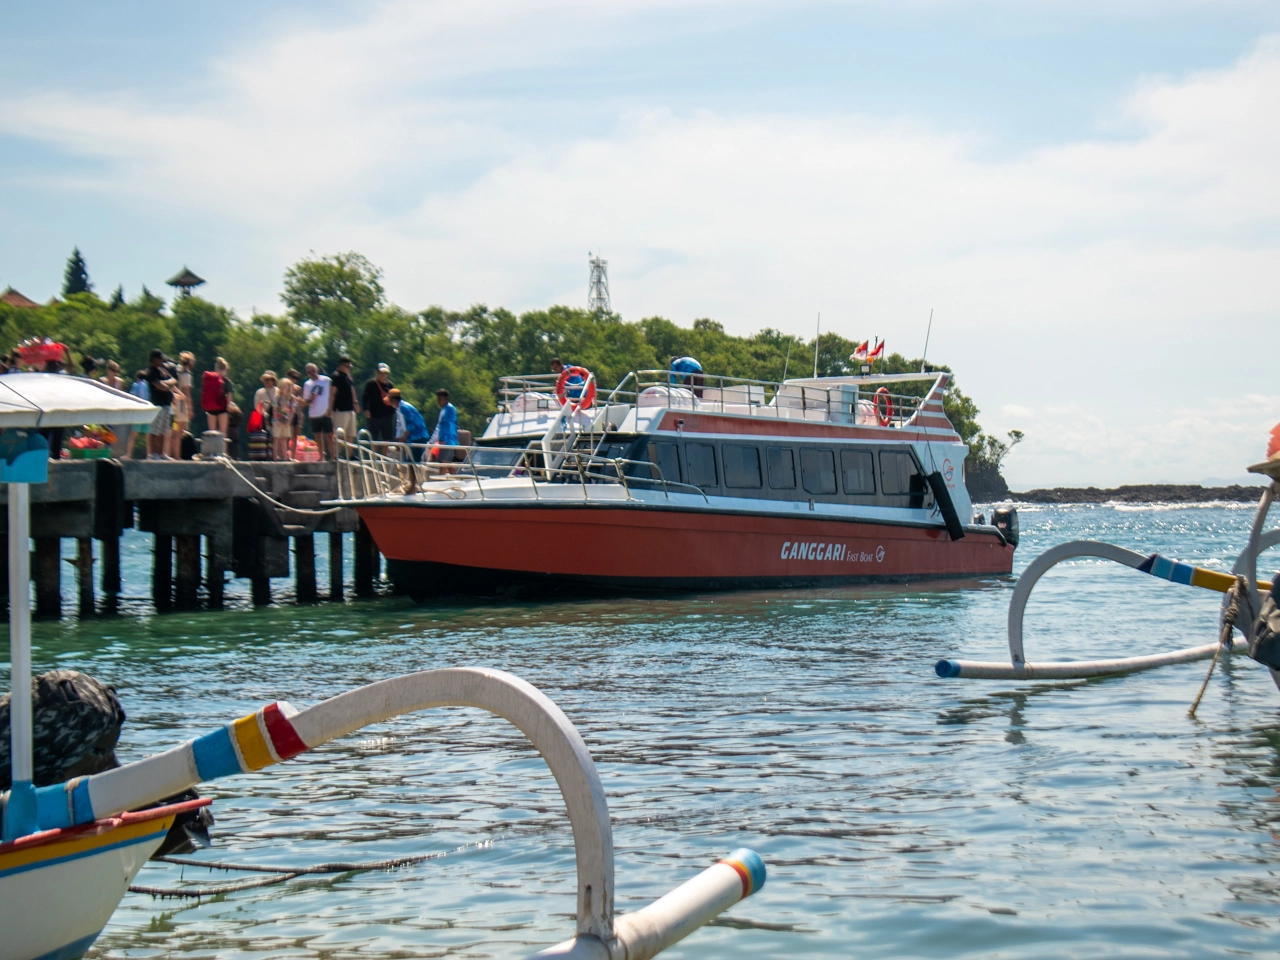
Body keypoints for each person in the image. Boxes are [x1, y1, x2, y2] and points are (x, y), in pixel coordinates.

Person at [144, 349, 177, 459]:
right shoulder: (150, 372)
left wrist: (164, 383)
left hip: (166, 404)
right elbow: (160, 387)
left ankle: (161, 453)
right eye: (160, 358)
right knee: (154, 430)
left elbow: (173, 381)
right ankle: (152, 453)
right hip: (156, 404)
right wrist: (165, 385)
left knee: (163, 430)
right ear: (154, 359)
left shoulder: (162, 370)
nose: (162, 361)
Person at [302, 362, 334, 460]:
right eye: (309, 372)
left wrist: (331, 408)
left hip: (326, 411)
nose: (312, 373)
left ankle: (333, 456)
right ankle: (321, 456)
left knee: (329, 435)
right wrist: (310, 398)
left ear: (317, 370)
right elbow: (306, 401)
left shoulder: (326, 380)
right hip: (314, 413)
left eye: (313, 371)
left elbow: (333, 394)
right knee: (318, 436)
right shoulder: (307, 384)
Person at [330, 355, 359, 450]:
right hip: (340, 409)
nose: (349, 368)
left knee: (350, 434)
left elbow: (352, 388)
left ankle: (350, 454)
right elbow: (332, 393)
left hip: (349, 408)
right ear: (341, 365)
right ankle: (338, 454)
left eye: (350, 367)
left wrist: (355, 402)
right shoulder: (336, 376)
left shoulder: (348, 376)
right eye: (348, 367)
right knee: (340, 434)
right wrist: (330, 408)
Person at [362, 362, 395, 442]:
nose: (383, 375)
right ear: (376, 372)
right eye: (381, 373)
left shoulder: (390, 385)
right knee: (374, 438)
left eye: (385, 373)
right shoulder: (370, 384)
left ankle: (384, 454)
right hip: (374, 416)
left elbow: (393, 399)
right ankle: (374, 454)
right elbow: (364, 397)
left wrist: (392, 412)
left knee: (386, 438)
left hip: (387, 416)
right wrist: (366, 409)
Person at [202, 357, 232, 436]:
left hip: (210, 408)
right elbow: (229, 396)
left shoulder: (211, 379)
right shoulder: (226, 381)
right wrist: (228, 407)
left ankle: (212, 448)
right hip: (222, 408)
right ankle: (223, 449)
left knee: (211, 432)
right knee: (223, 433)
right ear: (226, 369)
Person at [172, 352, 195, 457]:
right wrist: (189, 408)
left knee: (174, 429)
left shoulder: (177, 372)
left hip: (174, 404)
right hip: (181, 405)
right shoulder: (186, 375)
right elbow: (187, 393)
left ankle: (172, 453)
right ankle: (177, 456)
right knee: (179, 432)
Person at [427, 388, 459, 463]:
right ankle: (453, 475)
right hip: (450, 441)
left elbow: (442, 427)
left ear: (446, 399)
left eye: (440, 399)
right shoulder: (448, 409)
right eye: (438, 399)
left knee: (443, 463)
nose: (438, 402)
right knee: (447, 463)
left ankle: (441, 475)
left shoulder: (448, 410)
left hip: (446, 441)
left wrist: (432, 441)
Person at [271, 377, 297, 461]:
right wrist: (276, 420)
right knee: (276, 438)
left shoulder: (292, 398)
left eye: (284, 386)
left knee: (284, 439)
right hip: (277, 420)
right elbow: (274, 409)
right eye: (281, 386)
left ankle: (285, 456)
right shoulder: (276, 397)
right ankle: (275, 456)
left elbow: (293, 410)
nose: (282, 388)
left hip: (286, 421)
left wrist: (289, 421)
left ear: (289, 387)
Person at [127, 370, 150, 459]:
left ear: (137, 378)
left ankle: (128, 455)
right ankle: (149, 455)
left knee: (133, 434)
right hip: (147, 411)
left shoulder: (136, 385)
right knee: (147, 435)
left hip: (138, 411)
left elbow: (132, 397)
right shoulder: (148, 386)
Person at [253, 371, 278, 453]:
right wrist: (264, 415)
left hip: (277, 418)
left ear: (273, 380)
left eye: (268, 379)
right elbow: (257, 406)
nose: (266, 382)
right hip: (264, 420)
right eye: (265, 380)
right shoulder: (260, 392)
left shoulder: (278, 392)